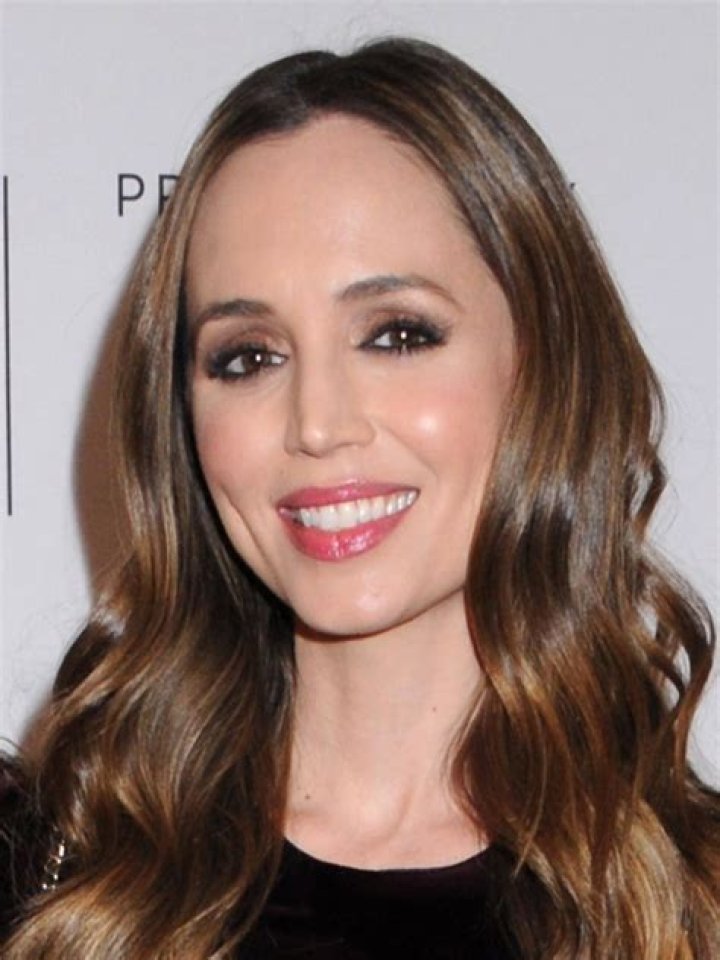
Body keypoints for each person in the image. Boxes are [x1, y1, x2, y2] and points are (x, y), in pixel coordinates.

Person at [1, 36, 718, 959]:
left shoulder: (686, 905)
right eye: (248, 357)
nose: (318, 423)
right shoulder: (54, 873)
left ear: (542, 366)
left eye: (397, 335)